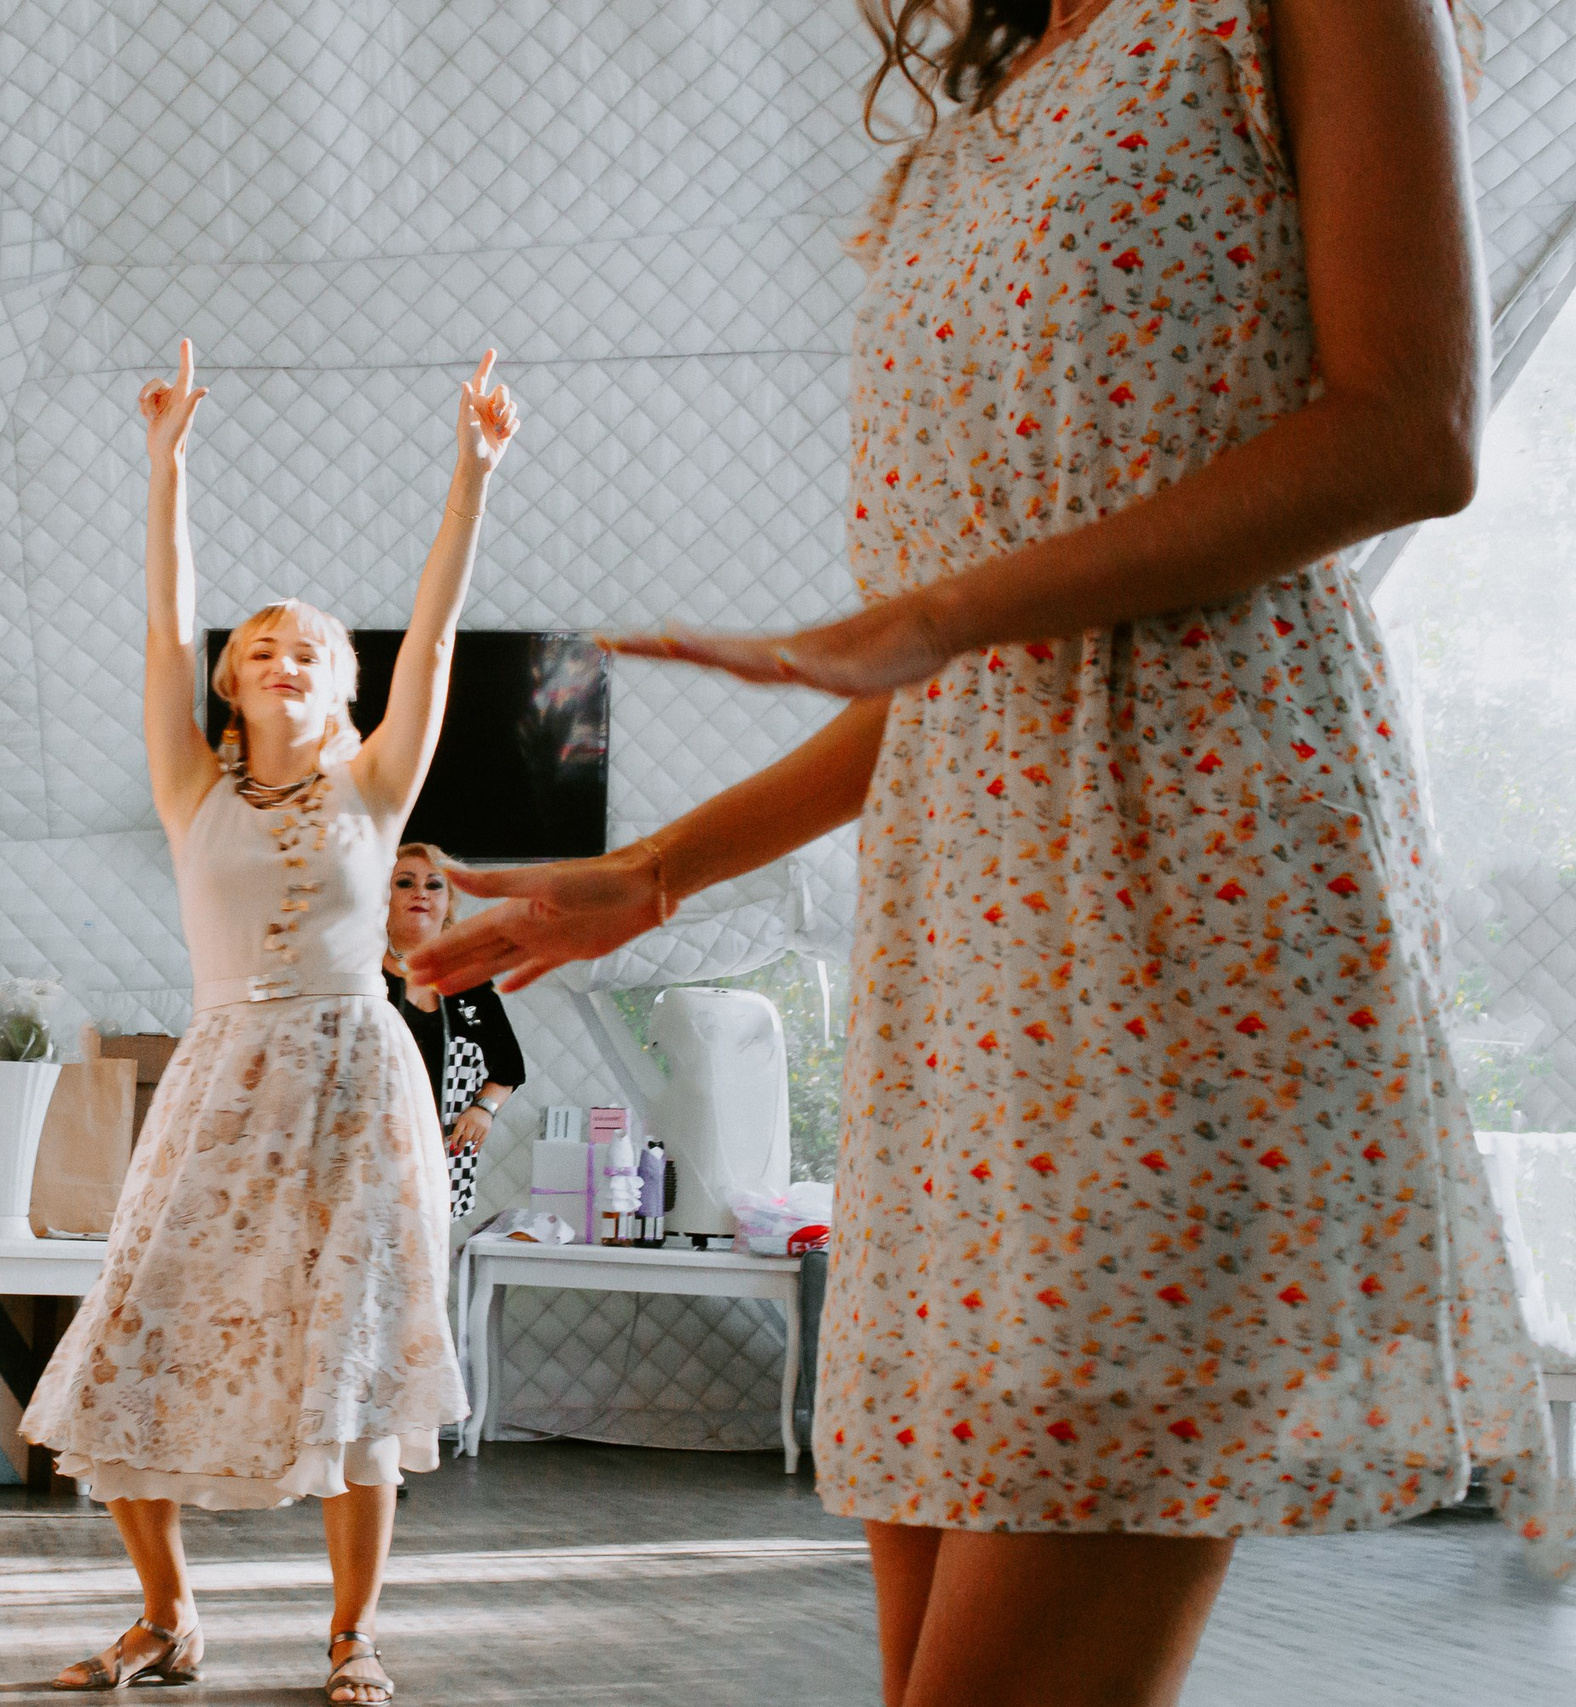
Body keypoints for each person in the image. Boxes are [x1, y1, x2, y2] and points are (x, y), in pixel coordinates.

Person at [408, 3, 1570, 1704]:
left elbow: (1415, 424)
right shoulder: (1016, 82)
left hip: (1184, 903)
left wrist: (942, 611)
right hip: (970, 976)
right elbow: (965, 670)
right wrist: (653, 871)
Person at [20, 341, 517, 1704]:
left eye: (307, 650)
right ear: (229, 683)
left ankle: (354, 1634)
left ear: (342, 687)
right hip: (222, 1073)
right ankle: (166, 1617)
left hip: (354, 1079)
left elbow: (434, 633)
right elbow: (160, 623)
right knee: (135, 1334)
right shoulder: (192, 788)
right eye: (257, 648)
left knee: (350, 1353)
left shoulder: (376, 785)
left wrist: (472, 475)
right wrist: (164, 465)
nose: (280, 659)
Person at [381, 844, 524, 1222]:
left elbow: (508, 1067)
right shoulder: (360, 970)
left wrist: (484, 1109)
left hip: (441, 1158)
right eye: (405, 883)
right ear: (384, 896)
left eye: (434, 885)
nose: (421, 893)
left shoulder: (468, 978)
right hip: (367, 1155)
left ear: (448, 903)